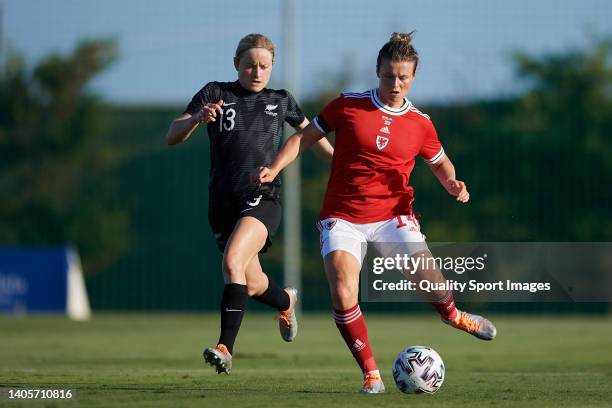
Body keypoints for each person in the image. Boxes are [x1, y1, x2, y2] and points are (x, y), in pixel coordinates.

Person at [259, 32, 497, 394]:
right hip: (343, 215)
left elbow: (440, 162)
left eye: (403, 77)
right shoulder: (347, 105)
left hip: (393, 217)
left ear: (414, 77)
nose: (395, 83)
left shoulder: (420, 122)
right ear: (377, 71)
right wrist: (274, 169)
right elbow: (300, 139)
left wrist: (452, 182)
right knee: (342, 288)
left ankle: (454, 316)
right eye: (389, 76)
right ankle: (371, 373)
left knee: (430, 281)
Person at [166, 33, 333, 375]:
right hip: (222, 203)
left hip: (262, 197)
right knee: (251, 281)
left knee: (232, 262)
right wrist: (197, 118)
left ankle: (225, 348)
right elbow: (172, 135)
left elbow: (310, 137)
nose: (257, 72)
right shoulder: (216, 93)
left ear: (272, 66)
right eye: (250, 65)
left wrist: (346, 167)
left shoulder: (281, 99)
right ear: (236, 65)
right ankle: (287, 301)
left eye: (264, 66)